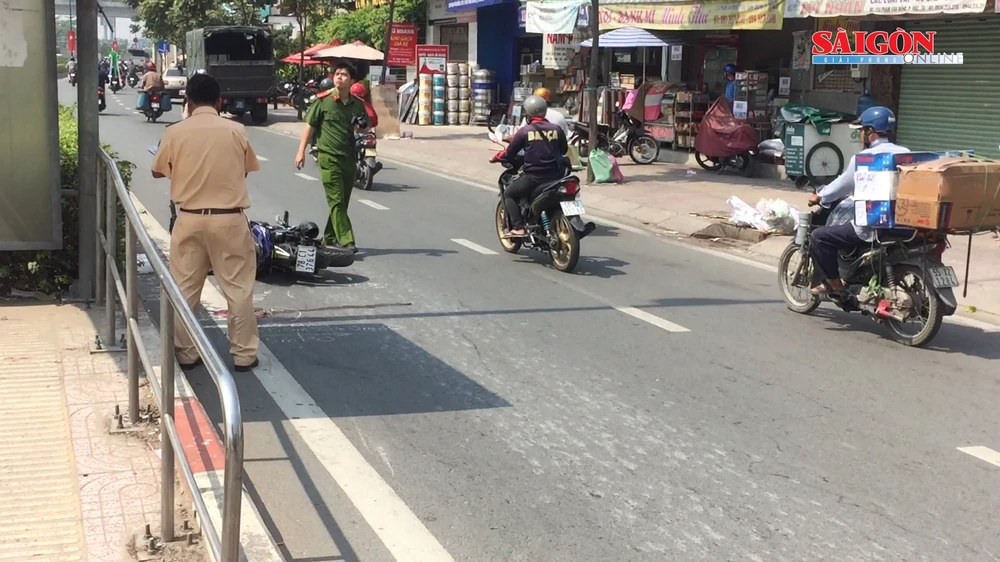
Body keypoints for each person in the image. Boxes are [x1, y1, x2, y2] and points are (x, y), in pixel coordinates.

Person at [150, 73, 262, 372]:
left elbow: (157, 171)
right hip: (229, 220)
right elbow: (246, 170)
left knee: (185, 290)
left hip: (189, 219)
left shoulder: (175, 132)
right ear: (219, 100)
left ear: (187, 100)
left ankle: (187, 354)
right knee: (238, 290)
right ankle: (243, 355)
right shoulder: (236, 130)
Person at [808, 106, 910, 295]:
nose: (861, 134)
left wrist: (820, 195)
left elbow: (843, 185)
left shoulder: (863, 158)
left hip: (874, 226)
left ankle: (835, 285)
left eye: (862, 130)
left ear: (870, 132)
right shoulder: (905, 153)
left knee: (819, 237)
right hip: (903, 224)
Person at [294, 61, 369, 253]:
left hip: (349, 157)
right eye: (337, 74)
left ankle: (329, 237)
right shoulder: (323, 101)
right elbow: (309, 127)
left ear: (352, 80)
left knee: (342, 201)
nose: (339, 77)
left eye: (344, 75)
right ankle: (347, 240)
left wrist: (360, 126)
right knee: (335, 199)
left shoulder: (357, 105)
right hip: (328, 156)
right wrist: (301, 151)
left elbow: (365, 127)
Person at [493, 95, 569, 238]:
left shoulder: (525, 131)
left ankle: (518, 227)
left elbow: (509, 154)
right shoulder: (556, 129)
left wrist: (496, 158)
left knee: (509, 193)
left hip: (535, 177)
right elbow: (563, 150)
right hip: (557, 175)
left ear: (528, 113)